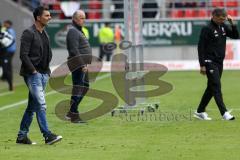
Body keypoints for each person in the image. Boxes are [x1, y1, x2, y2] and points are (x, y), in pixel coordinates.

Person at [16, 6, 62, 145]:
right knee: (41, 104)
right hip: (33, 74)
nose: (50, 17)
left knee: (32, 106)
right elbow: (23, 55)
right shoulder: (28, 33)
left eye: (49, 15)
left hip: (43, 74)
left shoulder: (44, 33)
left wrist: (47, 72)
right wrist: (34, 71)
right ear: (38, 17)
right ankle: (47, 135)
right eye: (47, 15)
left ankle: (22, 136)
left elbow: (48, 53)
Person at [194, 8, 239, 121]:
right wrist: (202, 64)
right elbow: (201, 47)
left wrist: (232, 24)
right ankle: (224, 113)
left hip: (219, 62)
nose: (221, 21)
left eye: (223, 19)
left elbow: (236, 36)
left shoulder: (223, 26)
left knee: (211, 87)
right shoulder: (207, 28)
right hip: (210, 62)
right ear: (213, 16)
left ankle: (200, 111)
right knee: (217, 86)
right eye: (220, 19)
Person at [65, 10, 92, 123]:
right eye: (81, 18)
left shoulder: (78, 30)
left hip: (81, 64)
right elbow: (73, 50)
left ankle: (71, 112)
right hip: (77, 64)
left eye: (84, 18)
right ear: (74, 19)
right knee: (79, 88)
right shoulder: (73, 31)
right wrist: (81, 64)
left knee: (84, 87)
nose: (83, 20)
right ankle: (74, 115)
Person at [0, 20, 16, 91]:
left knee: (6, 68)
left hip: (7, 52)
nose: (4, 25)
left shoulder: (7, 31)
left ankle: (10, 84)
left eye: (5, 23)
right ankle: (4, 78)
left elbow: (10, 41)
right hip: (6, 52)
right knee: (6, 68)